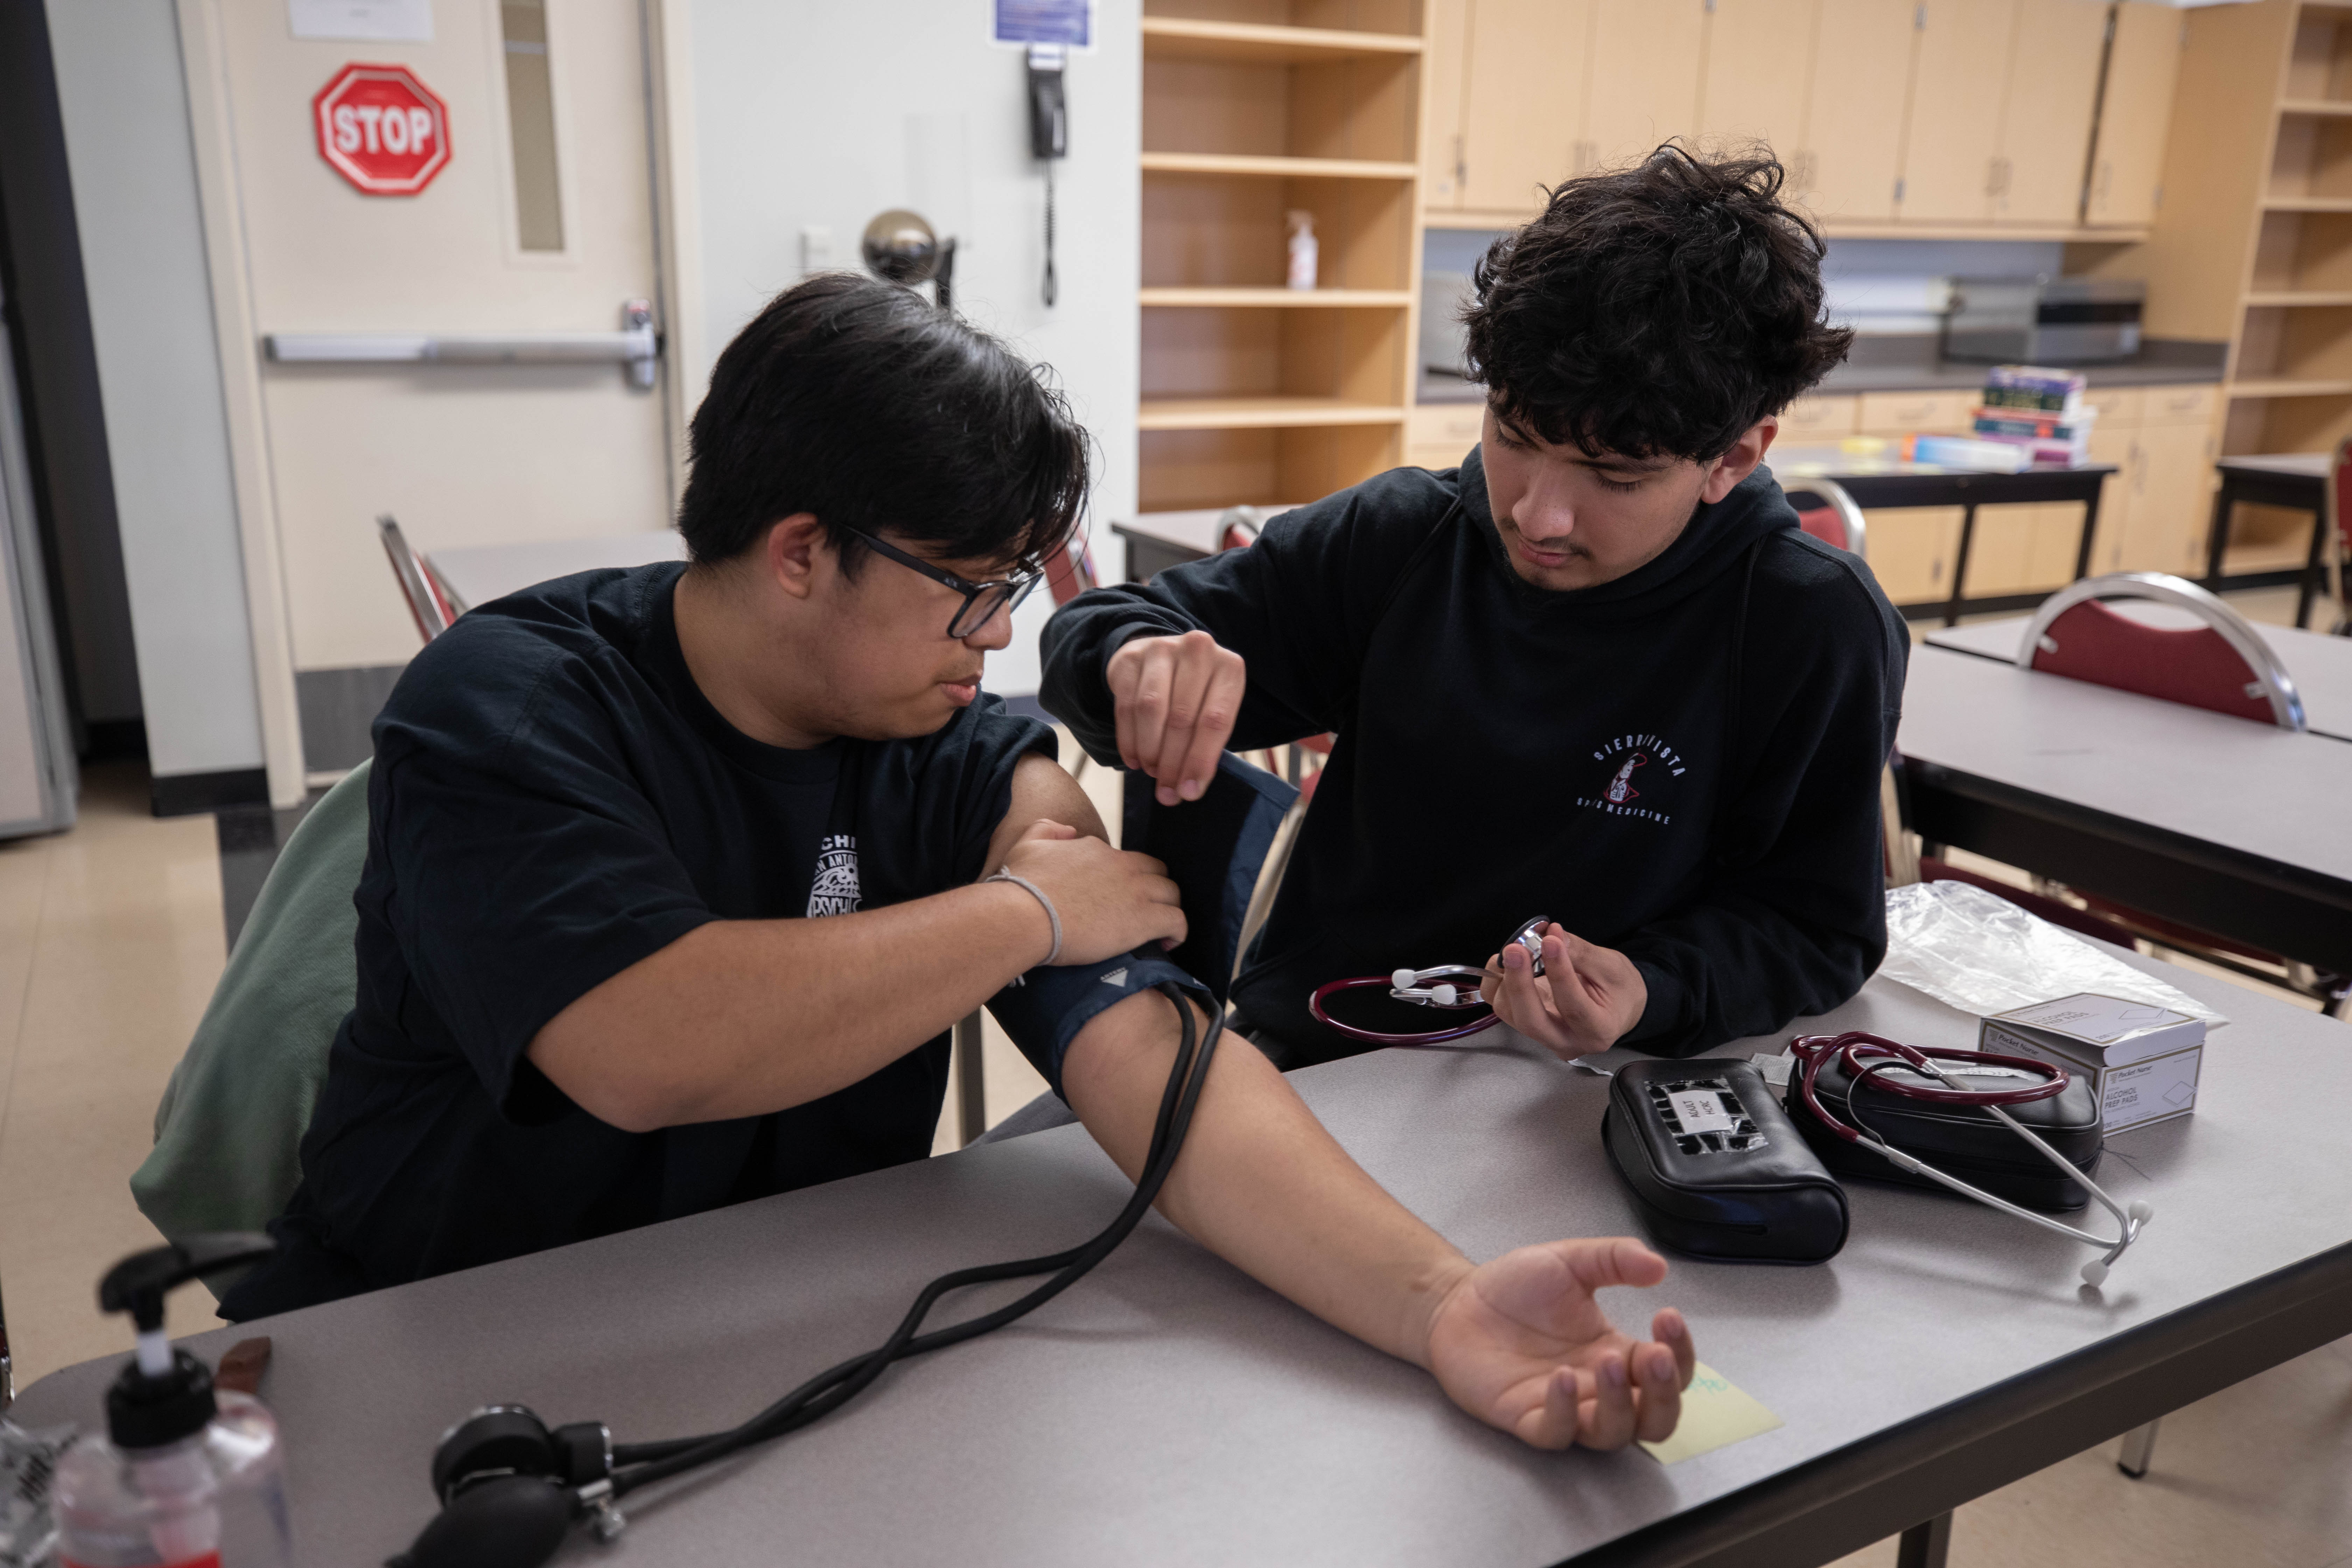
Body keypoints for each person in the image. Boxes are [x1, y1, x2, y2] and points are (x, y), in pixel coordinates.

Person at [217, 273, 1694, 1452]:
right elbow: (640, 1038)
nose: (999, 639)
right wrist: (1024, 911)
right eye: (970, 590)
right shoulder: (507, 706)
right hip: (424, 1338)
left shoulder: (936, 737)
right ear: (800, 551)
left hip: (768, 1337)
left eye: (1014, 591)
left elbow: (1147, 1059)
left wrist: (1442, 1305)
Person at [1041, 146, 1908, 1069]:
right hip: (1325, 1055)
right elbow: (1094, 633)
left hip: (1590, 1088)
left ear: (1733, 459)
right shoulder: (1406, 539)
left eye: (1616, 475)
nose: (1538, 515)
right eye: (1512, 435)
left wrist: (1655, 986)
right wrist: (1132, 660)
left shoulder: (1807, 624)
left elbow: (1817, 929)